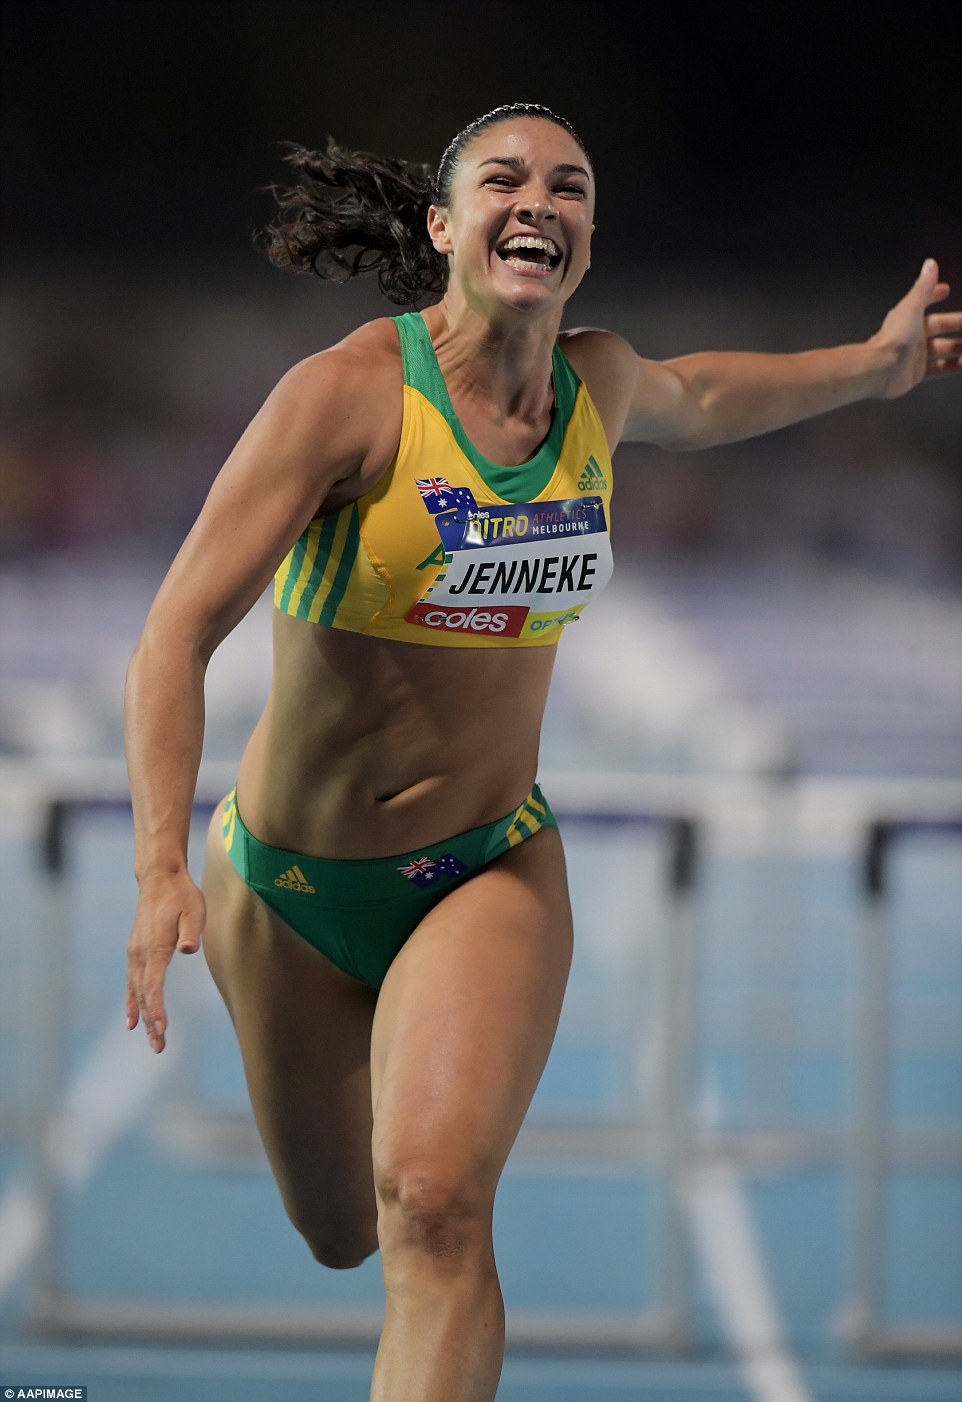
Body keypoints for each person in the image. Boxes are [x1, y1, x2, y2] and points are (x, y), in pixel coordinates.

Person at [124, 103, 961, 1402]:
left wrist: (875, 361)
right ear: (443, 227)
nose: (541, 199)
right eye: (505, 178)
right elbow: (173, 632)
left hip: (482, 866)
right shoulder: (344, 397)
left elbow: (709, 392)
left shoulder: (599, 382)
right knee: (343, 1228)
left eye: (567, 185)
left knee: (439, 1208)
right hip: (282, 885)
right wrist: (158, 862)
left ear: (583, 236)